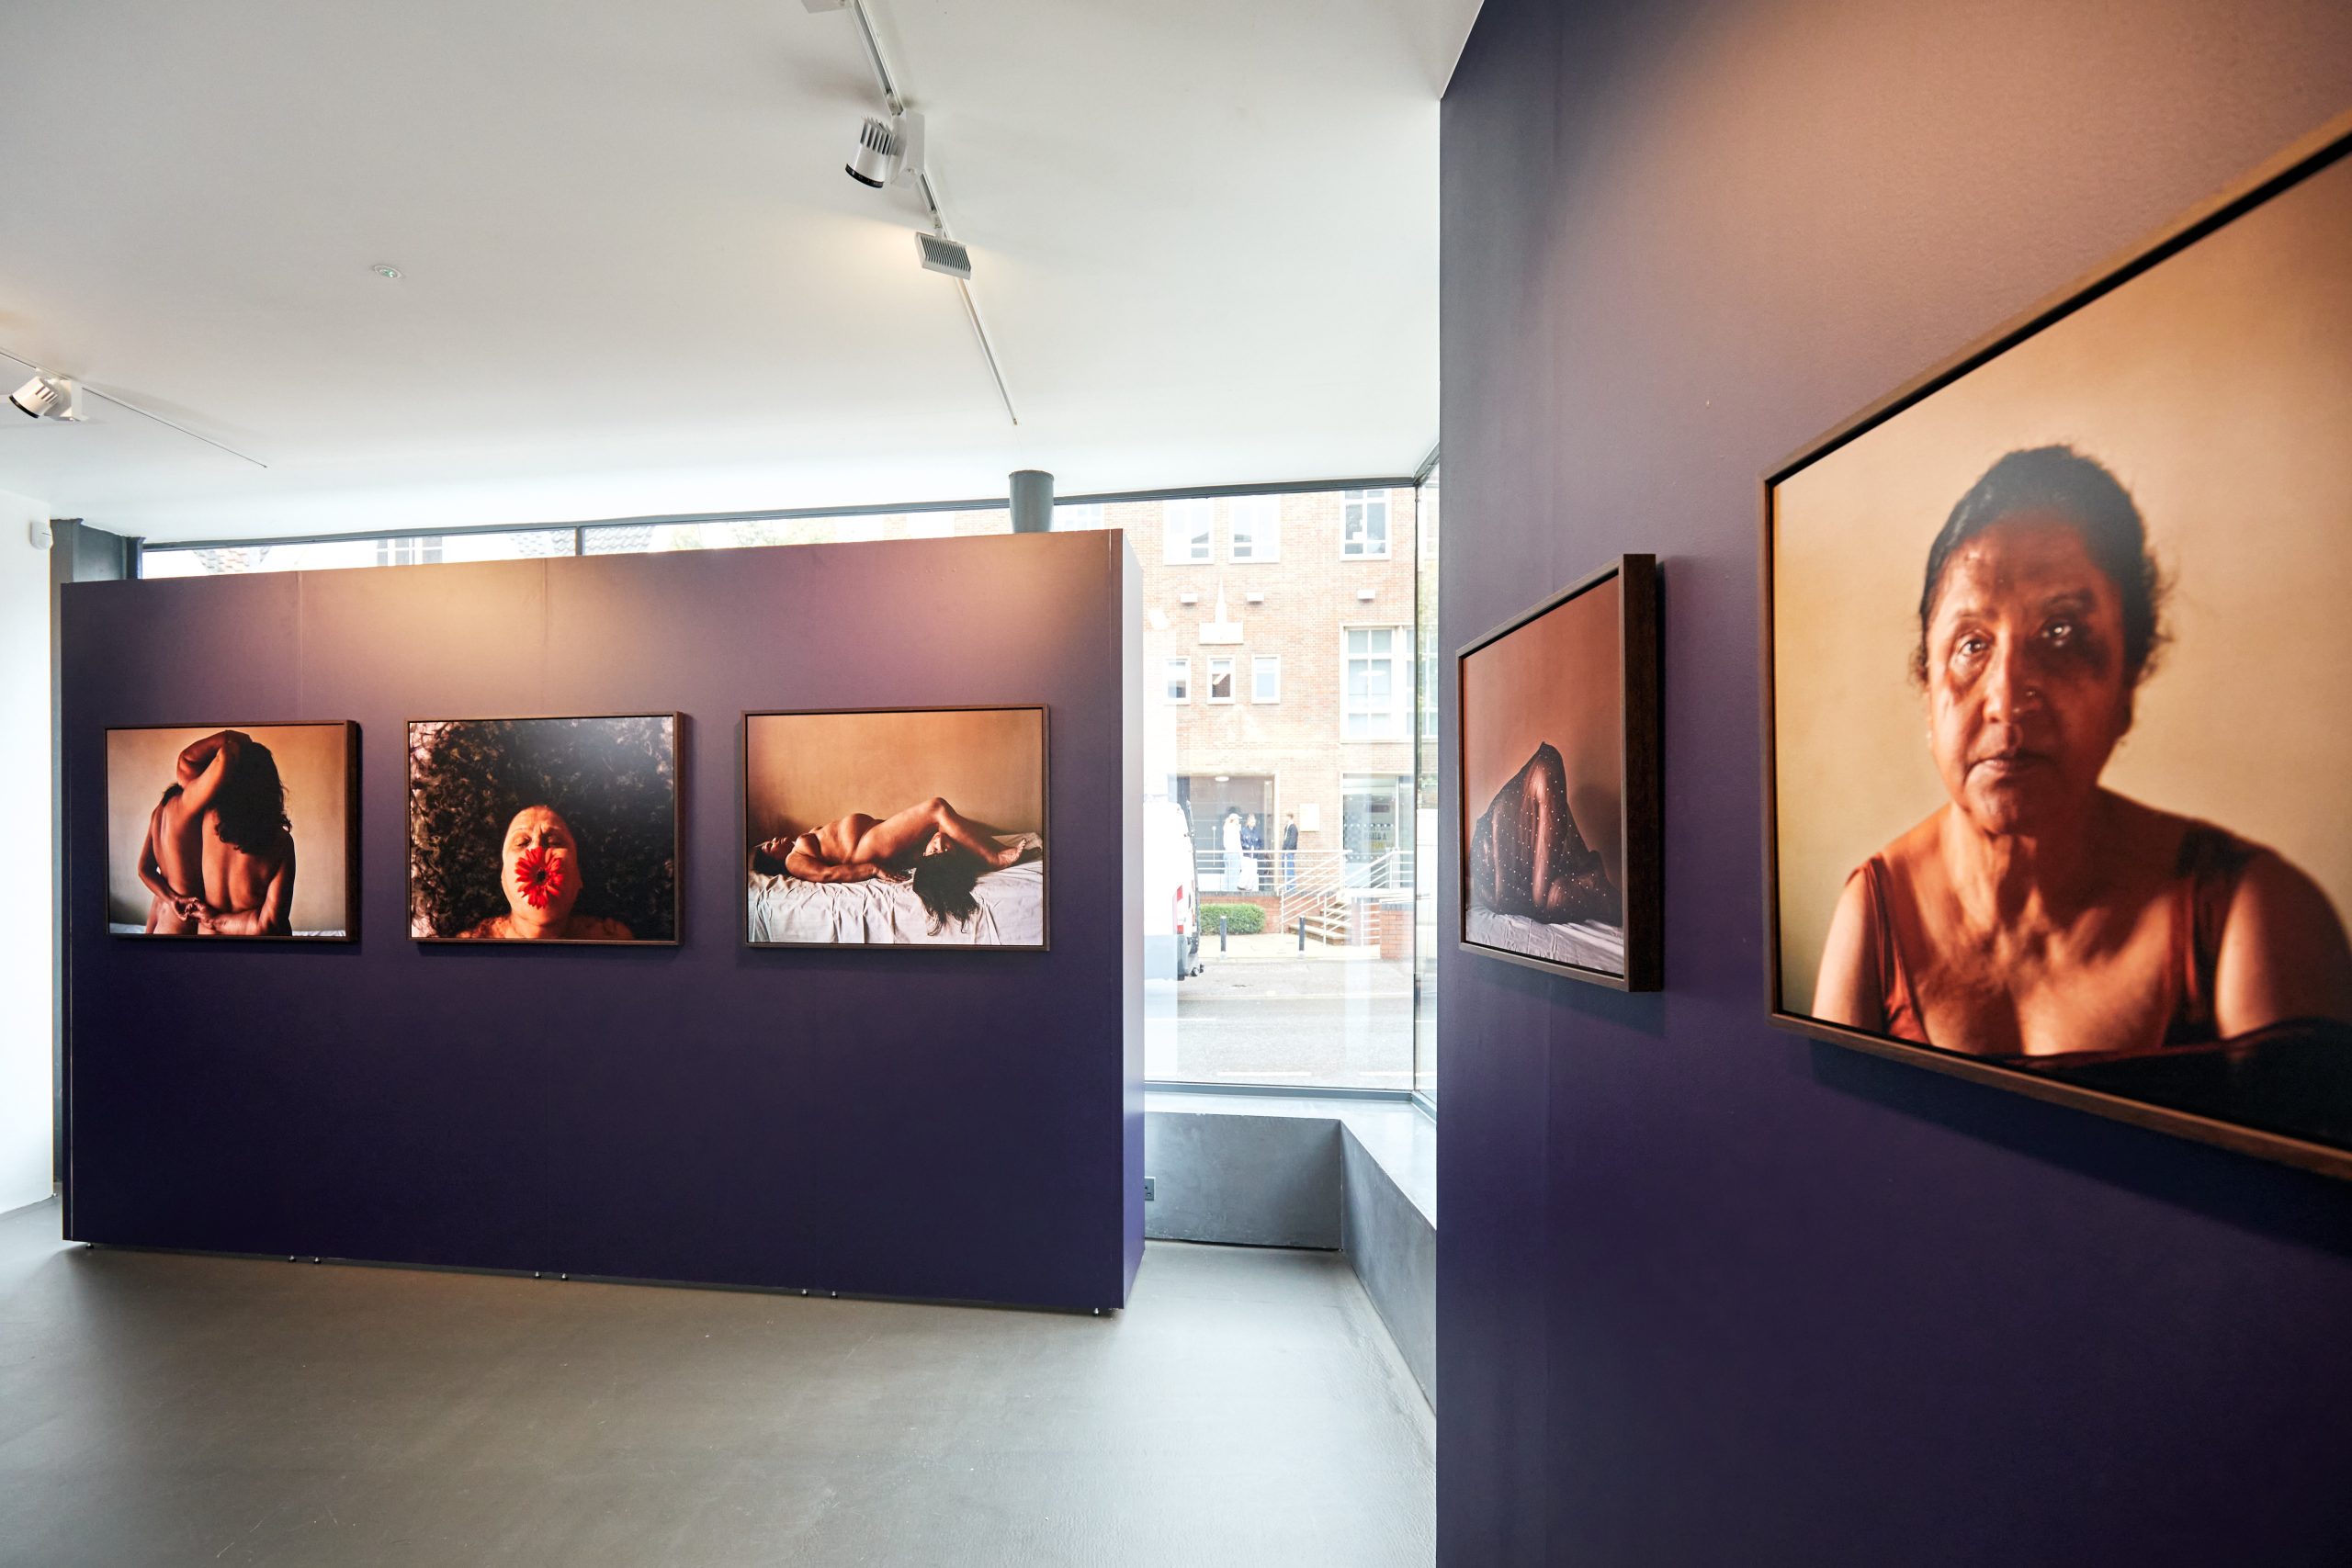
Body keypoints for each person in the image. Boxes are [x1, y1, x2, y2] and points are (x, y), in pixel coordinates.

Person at [1814, 445, 2352, 1058]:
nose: (2008, 698)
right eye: (1971, 644)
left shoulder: (2249, 915)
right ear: (1927, 689)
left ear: (2126, 685)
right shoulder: (1875, 914)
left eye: (2062, 632)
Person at [752, 796, 1033, 936]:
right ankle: (994, 858)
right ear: (773, 861)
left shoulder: (802, 841)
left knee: (941, 836)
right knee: (936, 808)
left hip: (872, 839)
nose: (773, 840)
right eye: (768, 847)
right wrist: (873, 870)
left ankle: (985, 852)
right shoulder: (794, 860)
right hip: (863, 850)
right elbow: (828, 874)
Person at [137, 729, 297, 937]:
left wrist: (236, 742)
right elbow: (269, 924)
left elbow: (187, 761)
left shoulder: (207, 818)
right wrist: (217, 920)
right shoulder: (281, 844)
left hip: (205, 938)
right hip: (259, 948)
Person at [1467, 742, 1619, 925]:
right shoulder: (1502, 820)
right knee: (1554, 896)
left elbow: (1532, 897)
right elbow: (1513, 899)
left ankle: (1599, 894)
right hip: (1504, 876)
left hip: (1515, 872)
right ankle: (1598, 892)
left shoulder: (1510, 810)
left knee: (1553, 895)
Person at [461, 804, 633, 941]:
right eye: (521, 842)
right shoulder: (468, 948)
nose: (537, 849)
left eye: (555, 842)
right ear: (502, 878)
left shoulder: (612, 943)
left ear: (579, 875)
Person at [1241, 813, 1265, 891]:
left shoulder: (1257, 831)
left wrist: (1258, 849)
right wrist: (1247, 847)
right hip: (1246, 855)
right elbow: (1241, 842)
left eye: (1254, 822)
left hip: (1254, 855)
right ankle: (1243, 886)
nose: (1253, 823)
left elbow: (1260, 842)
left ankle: (1250, 887)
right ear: (1248, 822)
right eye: (1251, 822)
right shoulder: (1244, 831)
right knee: (1246, 871)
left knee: (1253, 872)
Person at [1281, 812, 1298, 890]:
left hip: (1289, 853)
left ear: (1289, 817)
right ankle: (1287, 887)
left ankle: (1291, 888)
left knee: (1289, 869)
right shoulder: (1287, 827)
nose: (1283, 818)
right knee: (1285, 869)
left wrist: (1288, 850)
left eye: (1284, 817)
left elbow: (1293, 840)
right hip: (1285, 852)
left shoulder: (1293, 827)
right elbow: (1286, 840)